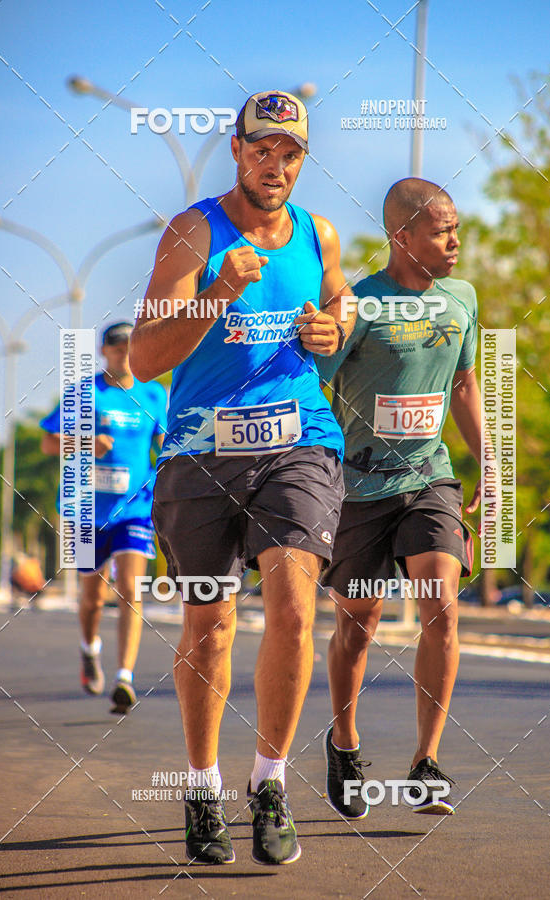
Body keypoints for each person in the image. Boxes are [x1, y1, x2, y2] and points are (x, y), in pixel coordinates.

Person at [130, 90, 355, 866]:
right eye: (262, 149)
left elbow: (338, 311)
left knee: (294, 605)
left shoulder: (319, 232)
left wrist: (335, 327)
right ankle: (201, 789)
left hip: (300, 440)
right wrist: (218, 292)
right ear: (235, 148)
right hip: (198, 450)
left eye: (290, 152)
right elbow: (146, 357)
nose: (276, 165)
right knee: (209, 627)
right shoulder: (194, 231)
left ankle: (269, 783)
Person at [317, 178, 481, 818]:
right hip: (357, 486)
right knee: (358, 629)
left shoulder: (461, 299)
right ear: (401, 236)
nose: (455, 243)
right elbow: (316, 392)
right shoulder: (357, 306)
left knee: (440, 602)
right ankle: (344, 741)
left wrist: (490, 461)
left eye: (456, 228)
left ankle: (427, 763)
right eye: (442, 231)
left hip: (429, 477)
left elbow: (465, 384)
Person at [40, 322, 167, 714]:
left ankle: (125, 677)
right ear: (103, 351)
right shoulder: (85, 392)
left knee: (130, 586)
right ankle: (89, 648)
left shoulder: (154, 393)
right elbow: (48, 442)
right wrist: (85, 442)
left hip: (135, 509)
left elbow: (165, 447)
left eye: (130, 345)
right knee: (93, 597)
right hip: (85, 509)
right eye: (115, 346)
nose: (123, 352)